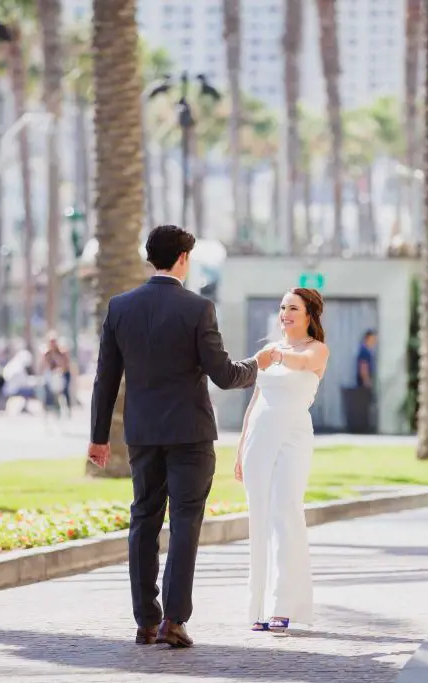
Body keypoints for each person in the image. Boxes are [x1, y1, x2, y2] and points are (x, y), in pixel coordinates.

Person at [88, 225, 274, 649]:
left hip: (143, 435)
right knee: (185, 523)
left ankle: (145, 621)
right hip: (190, 436)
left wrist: (99, 437)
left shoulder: (120, 308)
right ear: (184, 259)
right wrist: (257, 364)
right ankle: (174, 620)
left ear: (151, 258)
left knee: (143, 521)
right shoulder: (197, 309)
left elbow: (105, 379)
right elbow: (225, 376)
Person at [235, 288, 330, 635]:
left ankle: (284, 605)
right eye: (282, 308)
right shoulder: (270, 351)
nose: (286, 314)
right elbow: (255, 401)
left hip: (293, 437)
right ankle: (257, 608)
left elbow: (303, 364)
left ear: (309, 315)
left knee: (286, 512)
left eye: (293, 308)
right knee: (258, 516)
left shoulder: (314, 350)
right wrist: (241, 446)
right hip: (258, 437)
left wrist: (275, 355)